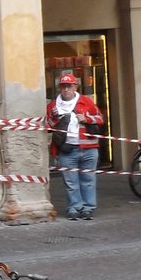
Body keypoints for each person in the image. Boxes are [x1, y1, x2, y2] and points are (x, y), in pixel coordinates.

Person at [48, 72, 105, 221]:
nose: (66, 89)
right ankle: (74, 207)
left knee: (88, 179)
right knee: (70, 181)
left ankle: (88, 208)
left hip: (89, 148)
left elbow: (100, 119)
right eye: (63, 86)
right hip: (66, 149)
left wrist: (86, 118)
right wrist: (55, 117)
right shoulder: (53, 105)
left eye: (69, 86)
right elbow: (49, 126)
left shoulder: (86, 101)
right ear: (60, 88)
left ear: (75, 86)